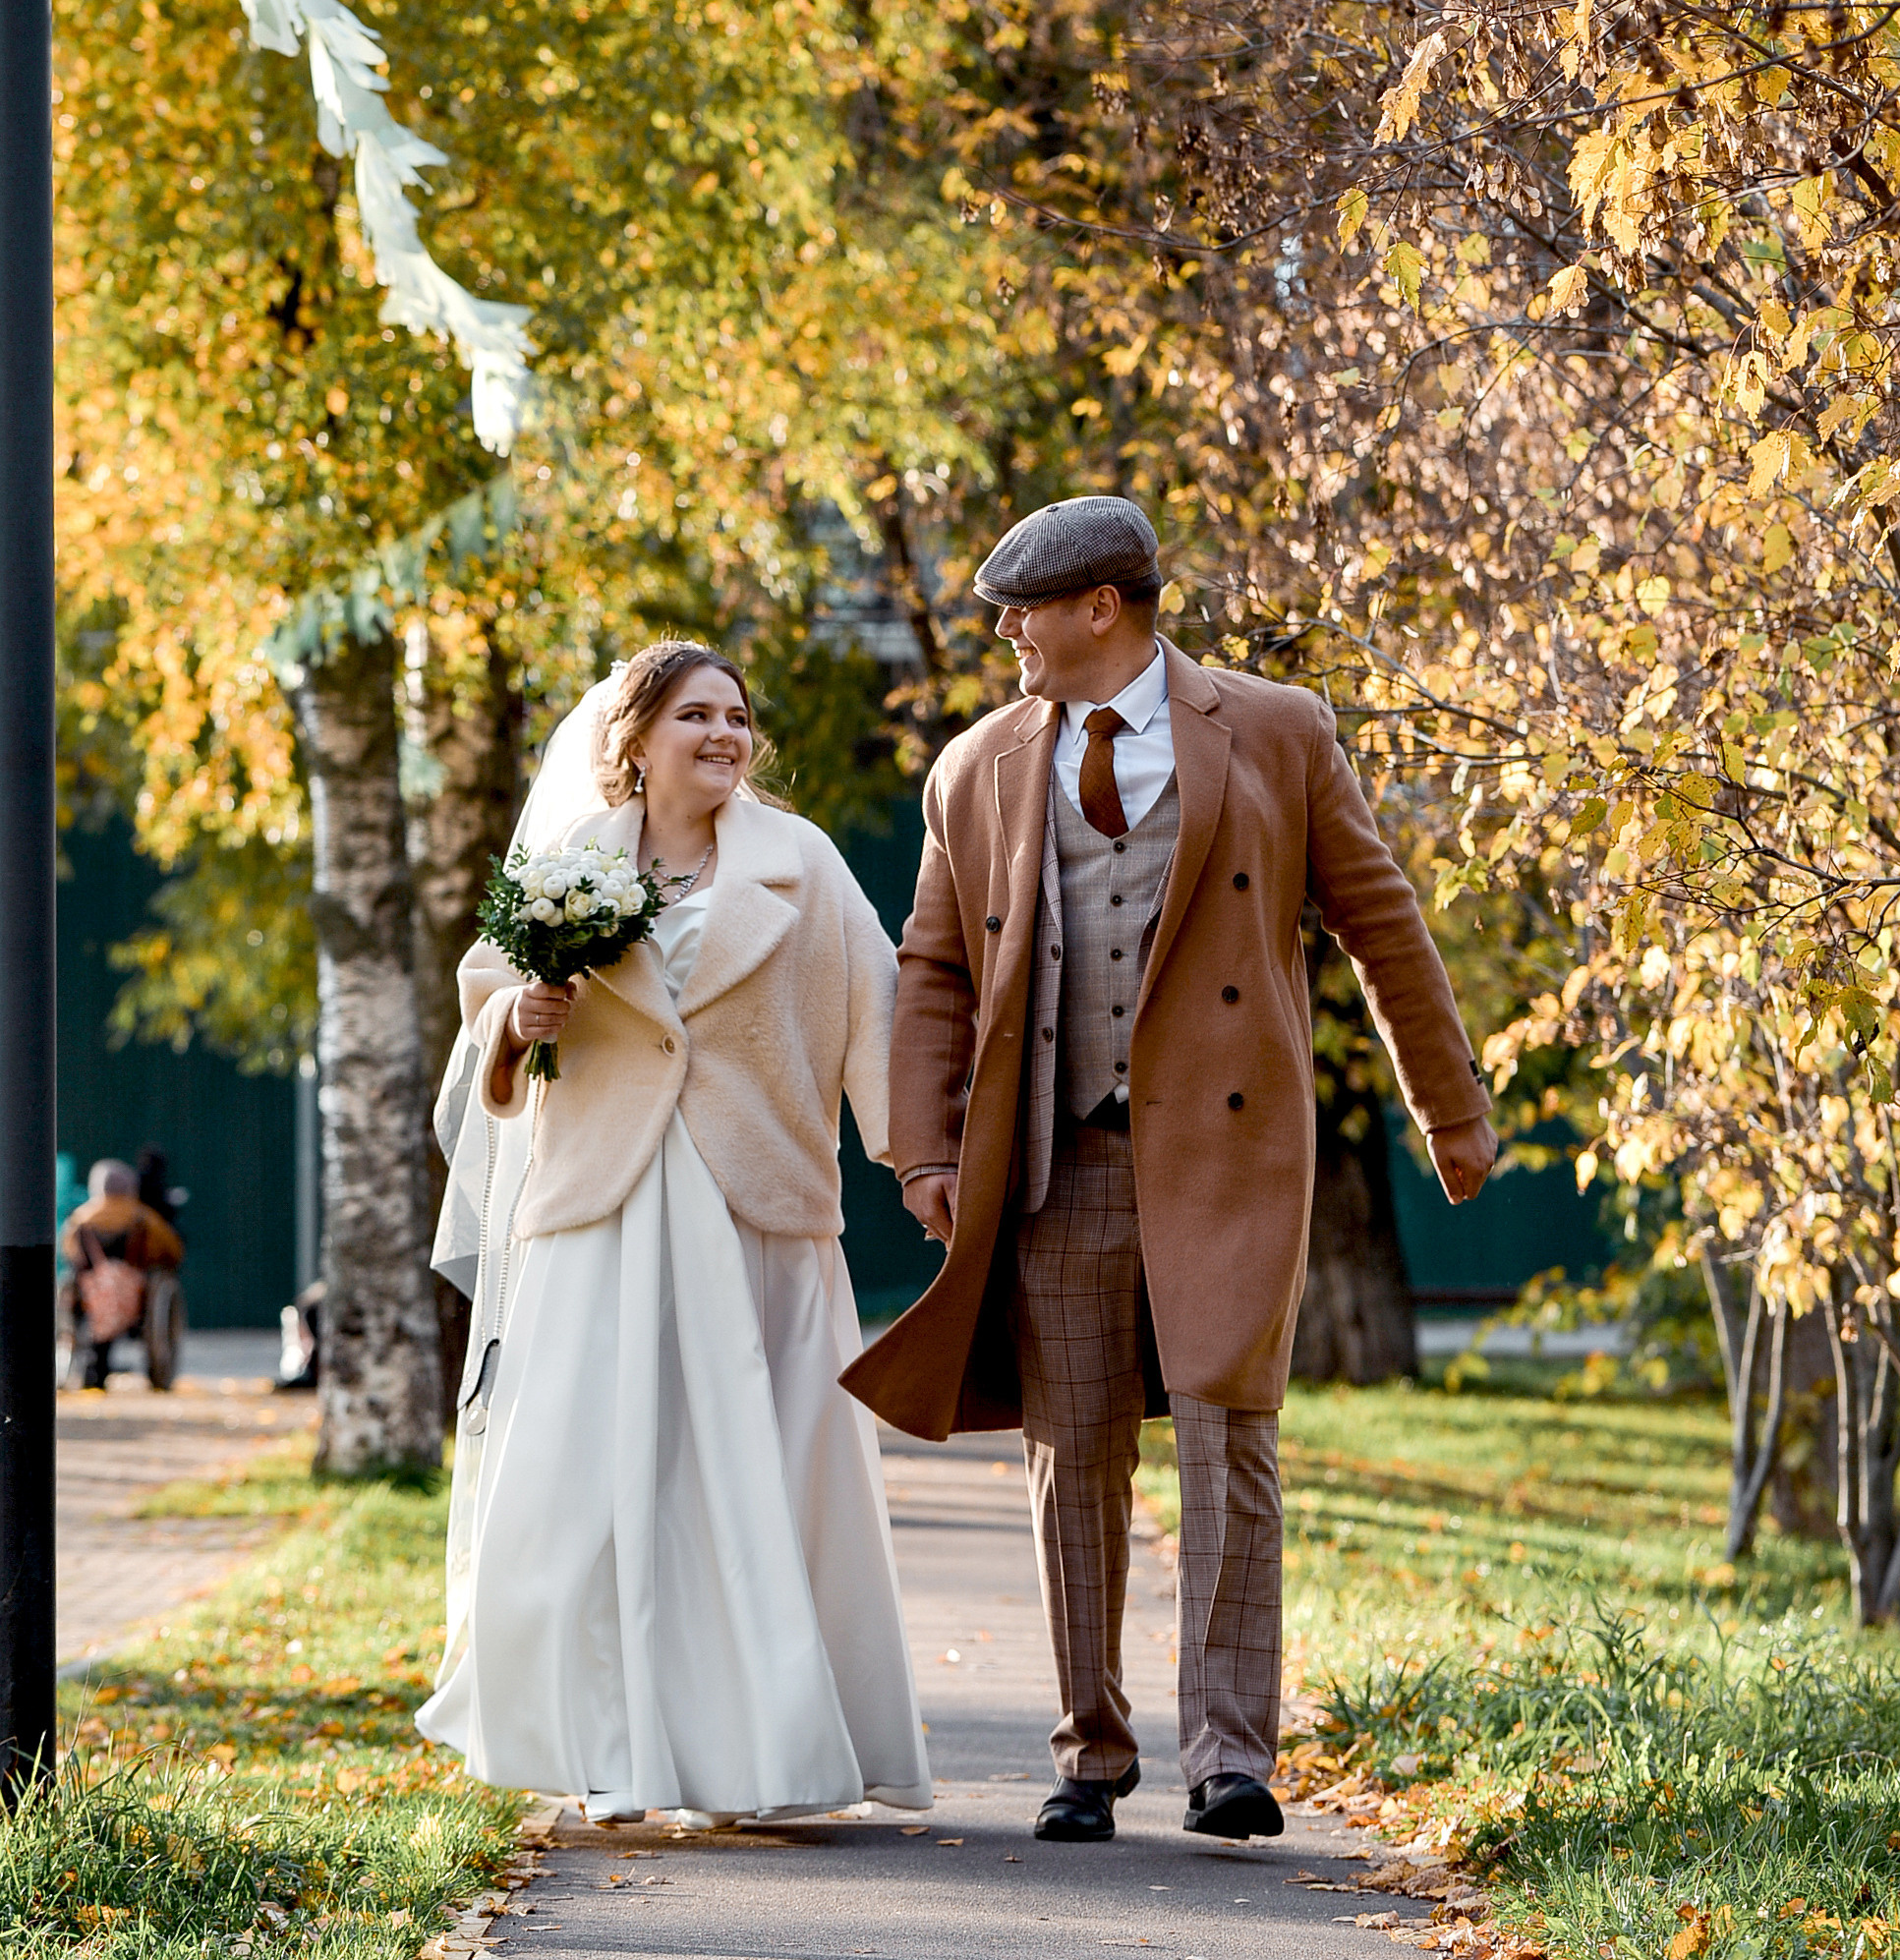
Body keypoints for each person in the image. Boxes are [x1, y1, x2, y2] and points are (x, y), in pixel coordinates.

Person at [843, 495, 1497, 1846]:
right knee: (1071, 1451)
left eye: (1023, 612)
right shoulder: (974, 767)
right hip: (1057, 1157)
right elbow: (935, 967)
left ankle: (1229, 1757)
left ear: (1102, 608)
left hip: (1228, 1154)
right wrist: (926, 1147)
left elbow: (1380, 919)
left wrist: (1448, 1108)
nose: (1006, 634)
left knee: (1226, 1437)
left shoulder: (1275, 728)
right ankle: (1088, 1750)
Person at [417, 642, 932, 1826]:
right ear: (636, 738)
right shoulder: (571, 860)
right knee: (595, 1480)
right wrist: (519, 1018)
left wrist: (919, 1157)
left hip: (756, 1205)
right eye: (695, 714)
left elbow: (877, 1006)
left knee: (757, 1477)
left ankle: (761, 1753)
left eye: (737, 716)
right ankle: (612, 1749)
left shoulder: (802, 861)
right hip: (603, 1201)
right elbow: (486, 991)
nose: (723, 734)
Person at [60, 1156, 185, 1393]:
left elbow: (69, 1251)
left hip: (91, 1295)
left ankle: (93, 1372)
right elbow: (171, 1250)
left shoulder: (80, 1219)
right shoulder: (143, 1217)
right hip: (135, 1294)